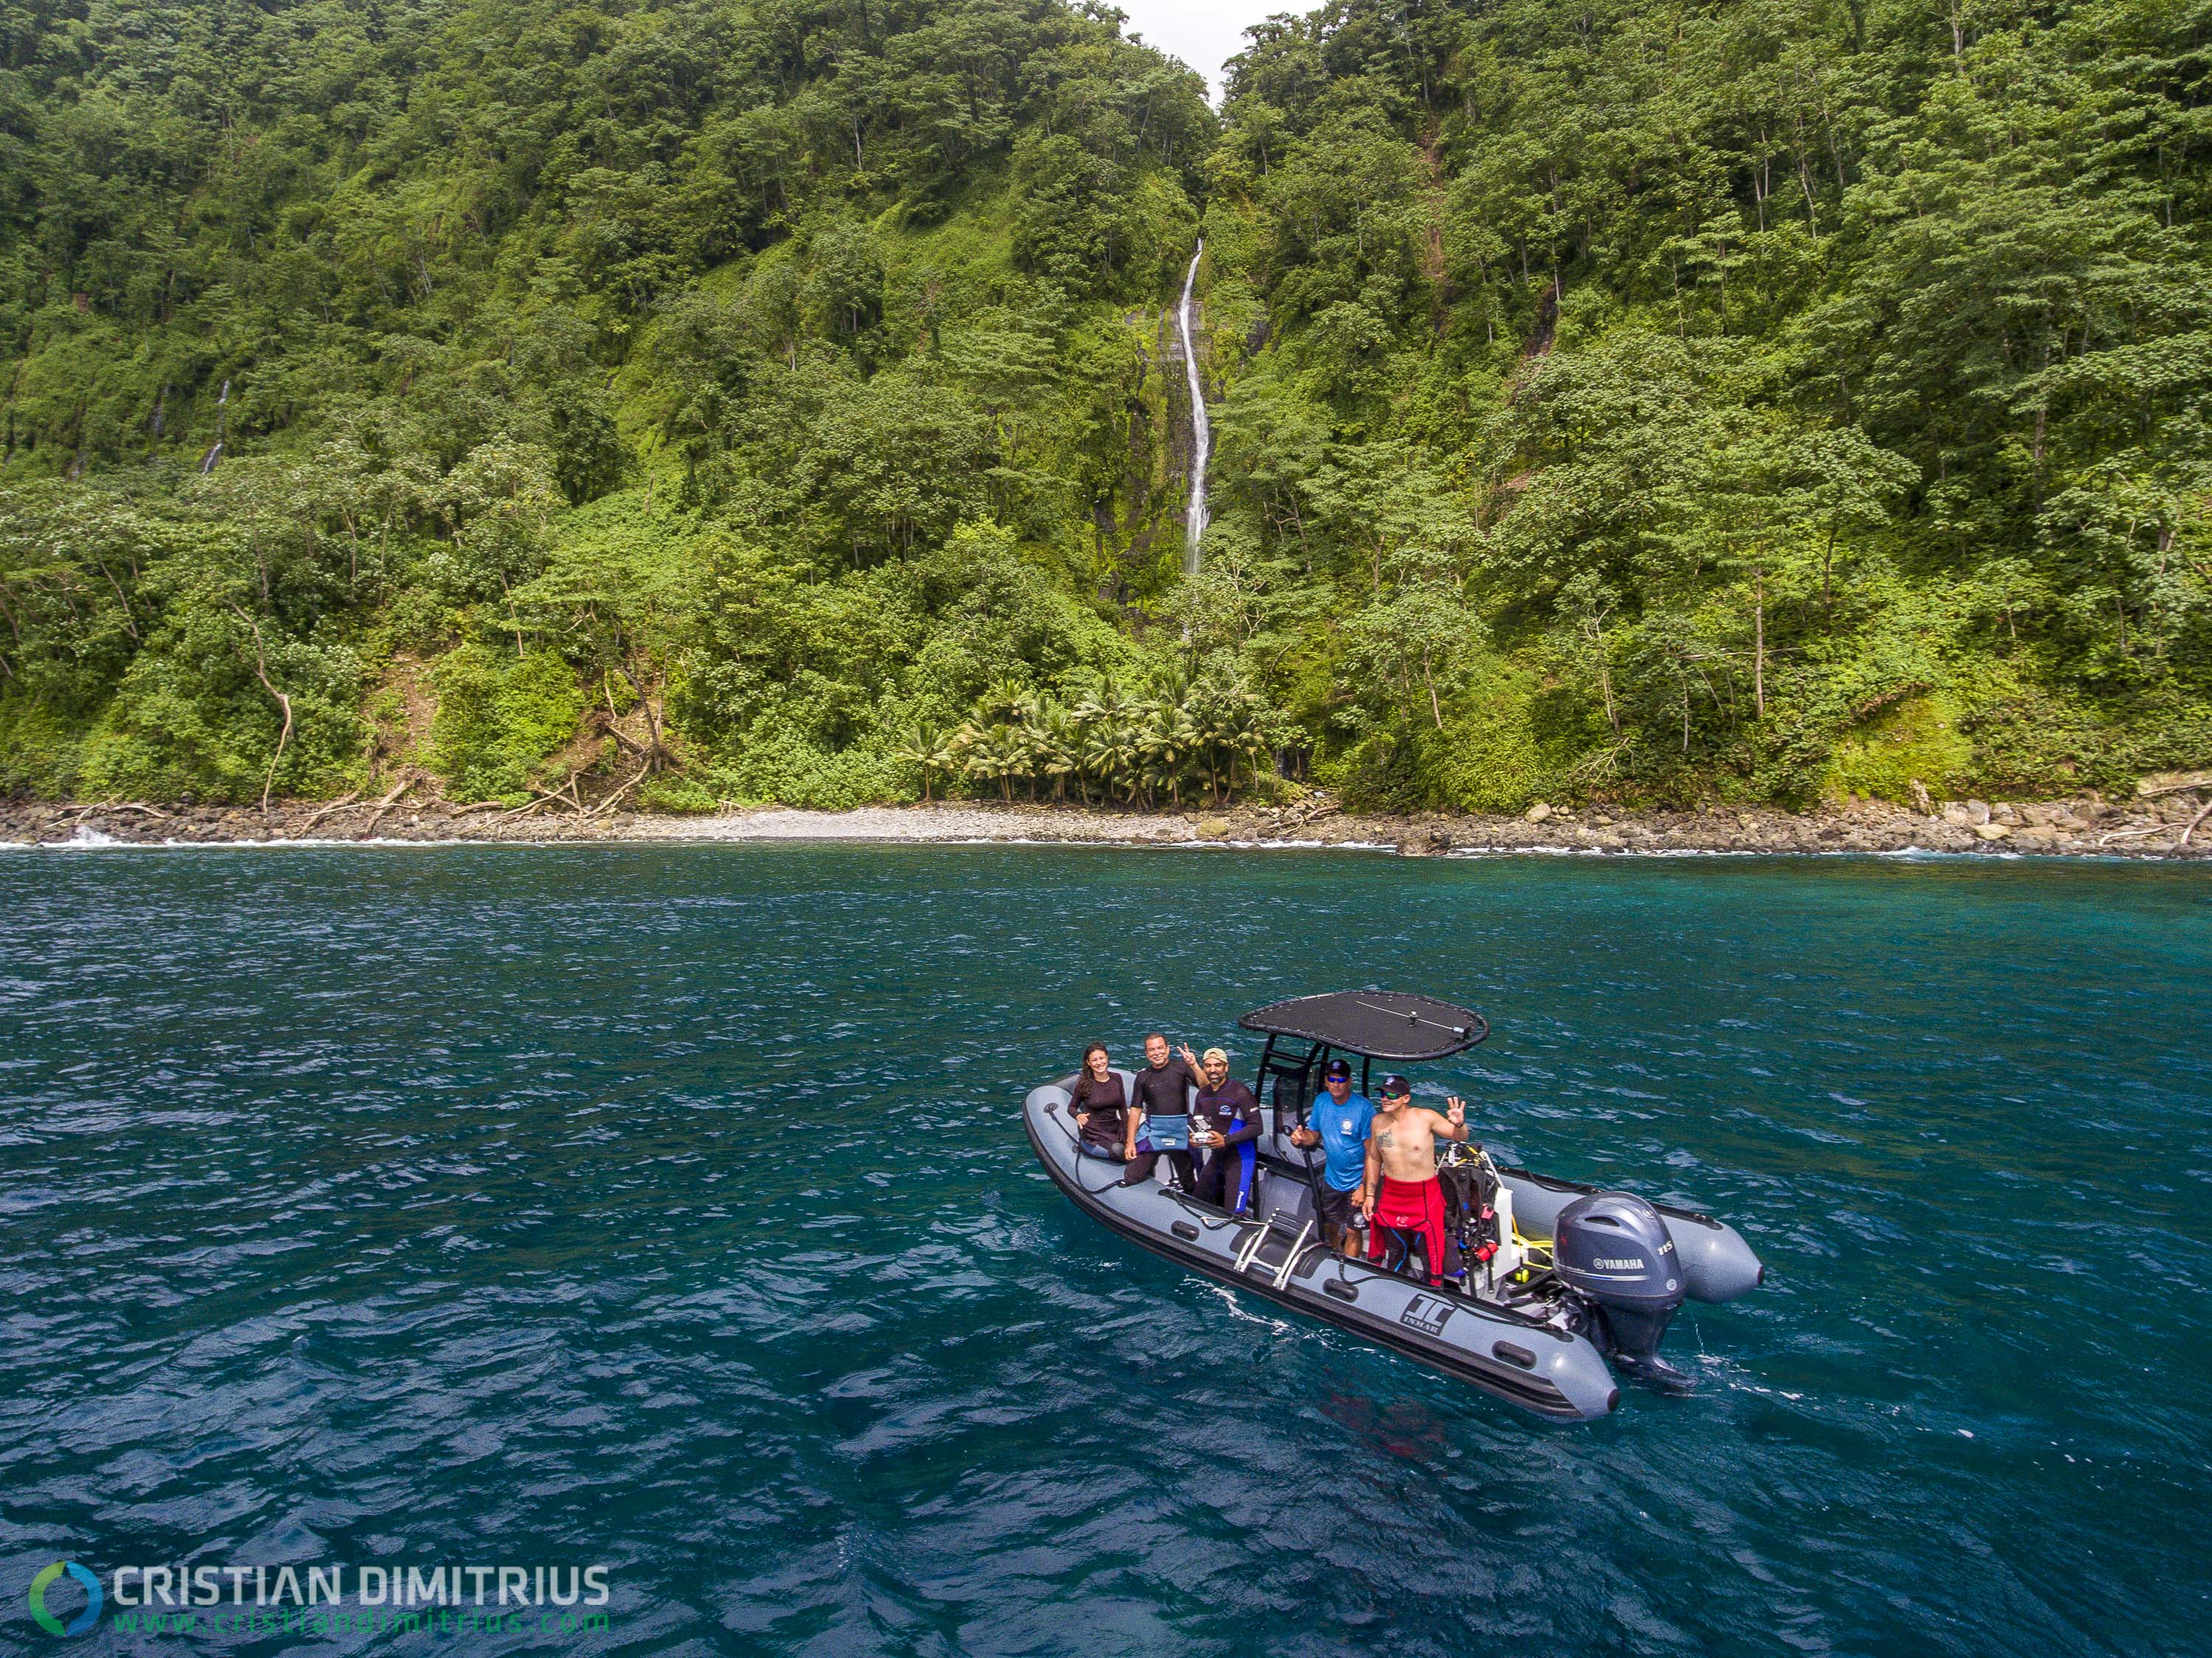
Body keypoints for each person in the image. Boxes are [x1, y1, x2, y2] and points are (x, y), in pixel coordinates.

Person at [1357, 1075, 1470, 1286]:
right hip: (1392, 1194)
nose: (1385, 1099)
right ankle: (1392, 1289)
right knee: (1395, 1250)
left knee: (1429, 1252)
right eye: (1382, 1094)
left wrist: (1460, 1123)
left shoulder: (1425, 1118)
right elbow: (1374, 1157)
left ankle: (1433, 1290)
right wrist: (1370, 1194)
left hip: (1424, 1196)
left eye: (1391, 1095)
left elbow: (1460, 1136)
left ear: (1406, 1098)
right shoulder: (1379, 1123)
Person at [1288, 1058, 1372, 1250]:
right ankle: (1336, 1252)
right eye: (1332, 1079)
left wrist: (1363, 1187)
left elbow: (1372, 1153)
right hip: (1332, 1179)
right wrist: (1301, 1137)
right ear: (1326, 1081)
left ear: (1349, 1082)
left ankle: (1349, 1269)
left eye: (1341, 1080)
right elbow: (1314, 1135)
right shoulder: (1322, 1101)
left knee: (1353, 1231)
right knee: (1330, 1226)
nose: (1336, 1084)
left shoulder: (1364, 1109)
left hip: (1356, 1181)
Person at [1120, 1031, 1202, 1190]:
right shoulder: (1143, 1076)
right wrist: (1130, 1142)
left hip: (1180, 1132)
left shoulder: (1182, 1068)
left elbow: (1205, 1086)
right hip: (1155, 1132)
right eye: (1152, 1050)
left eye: (1160, 1048)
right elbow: (1136, 1109)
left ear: (1168, 1049)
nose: (1157, 1053)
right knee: (1131, 1177)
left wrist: (1194, 1065)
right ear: (1147, 1053)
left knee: (1189, 1184)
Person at [1188, 1047, 1262, 1215]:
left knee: (1234, 1213)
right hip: (1217, 1156)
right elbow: (1197, 1124)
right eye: (1208, 1065)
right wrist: (1194, 1138)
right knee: (1197, 1200)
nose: (1213, 1070)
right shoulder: (1203, 1095)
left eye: (1217, 1065)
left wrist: (1226, 1140)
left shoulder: (1239, 1092)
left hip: (1239, 1158)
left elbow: (1257, 1127)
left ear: (1226, 1067)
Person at [1068, 1042, 1135, 1162]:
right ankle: (1087, 1147)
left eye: (1101, 1058)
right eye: (1094, 1060)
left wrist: (1129, 1137)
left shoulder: (1117, 1078)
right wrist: (1078, 1115)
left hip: (1114, 1127)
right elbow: (1072, 1107)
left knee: (1138, 1149)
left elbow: (1123, 1110)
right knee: (1119, 1151)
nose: (1099, 1063)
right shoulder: (1084, 1083)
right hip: (1094, 1132)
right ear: (1089, 1063)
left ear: (1107, 1058)